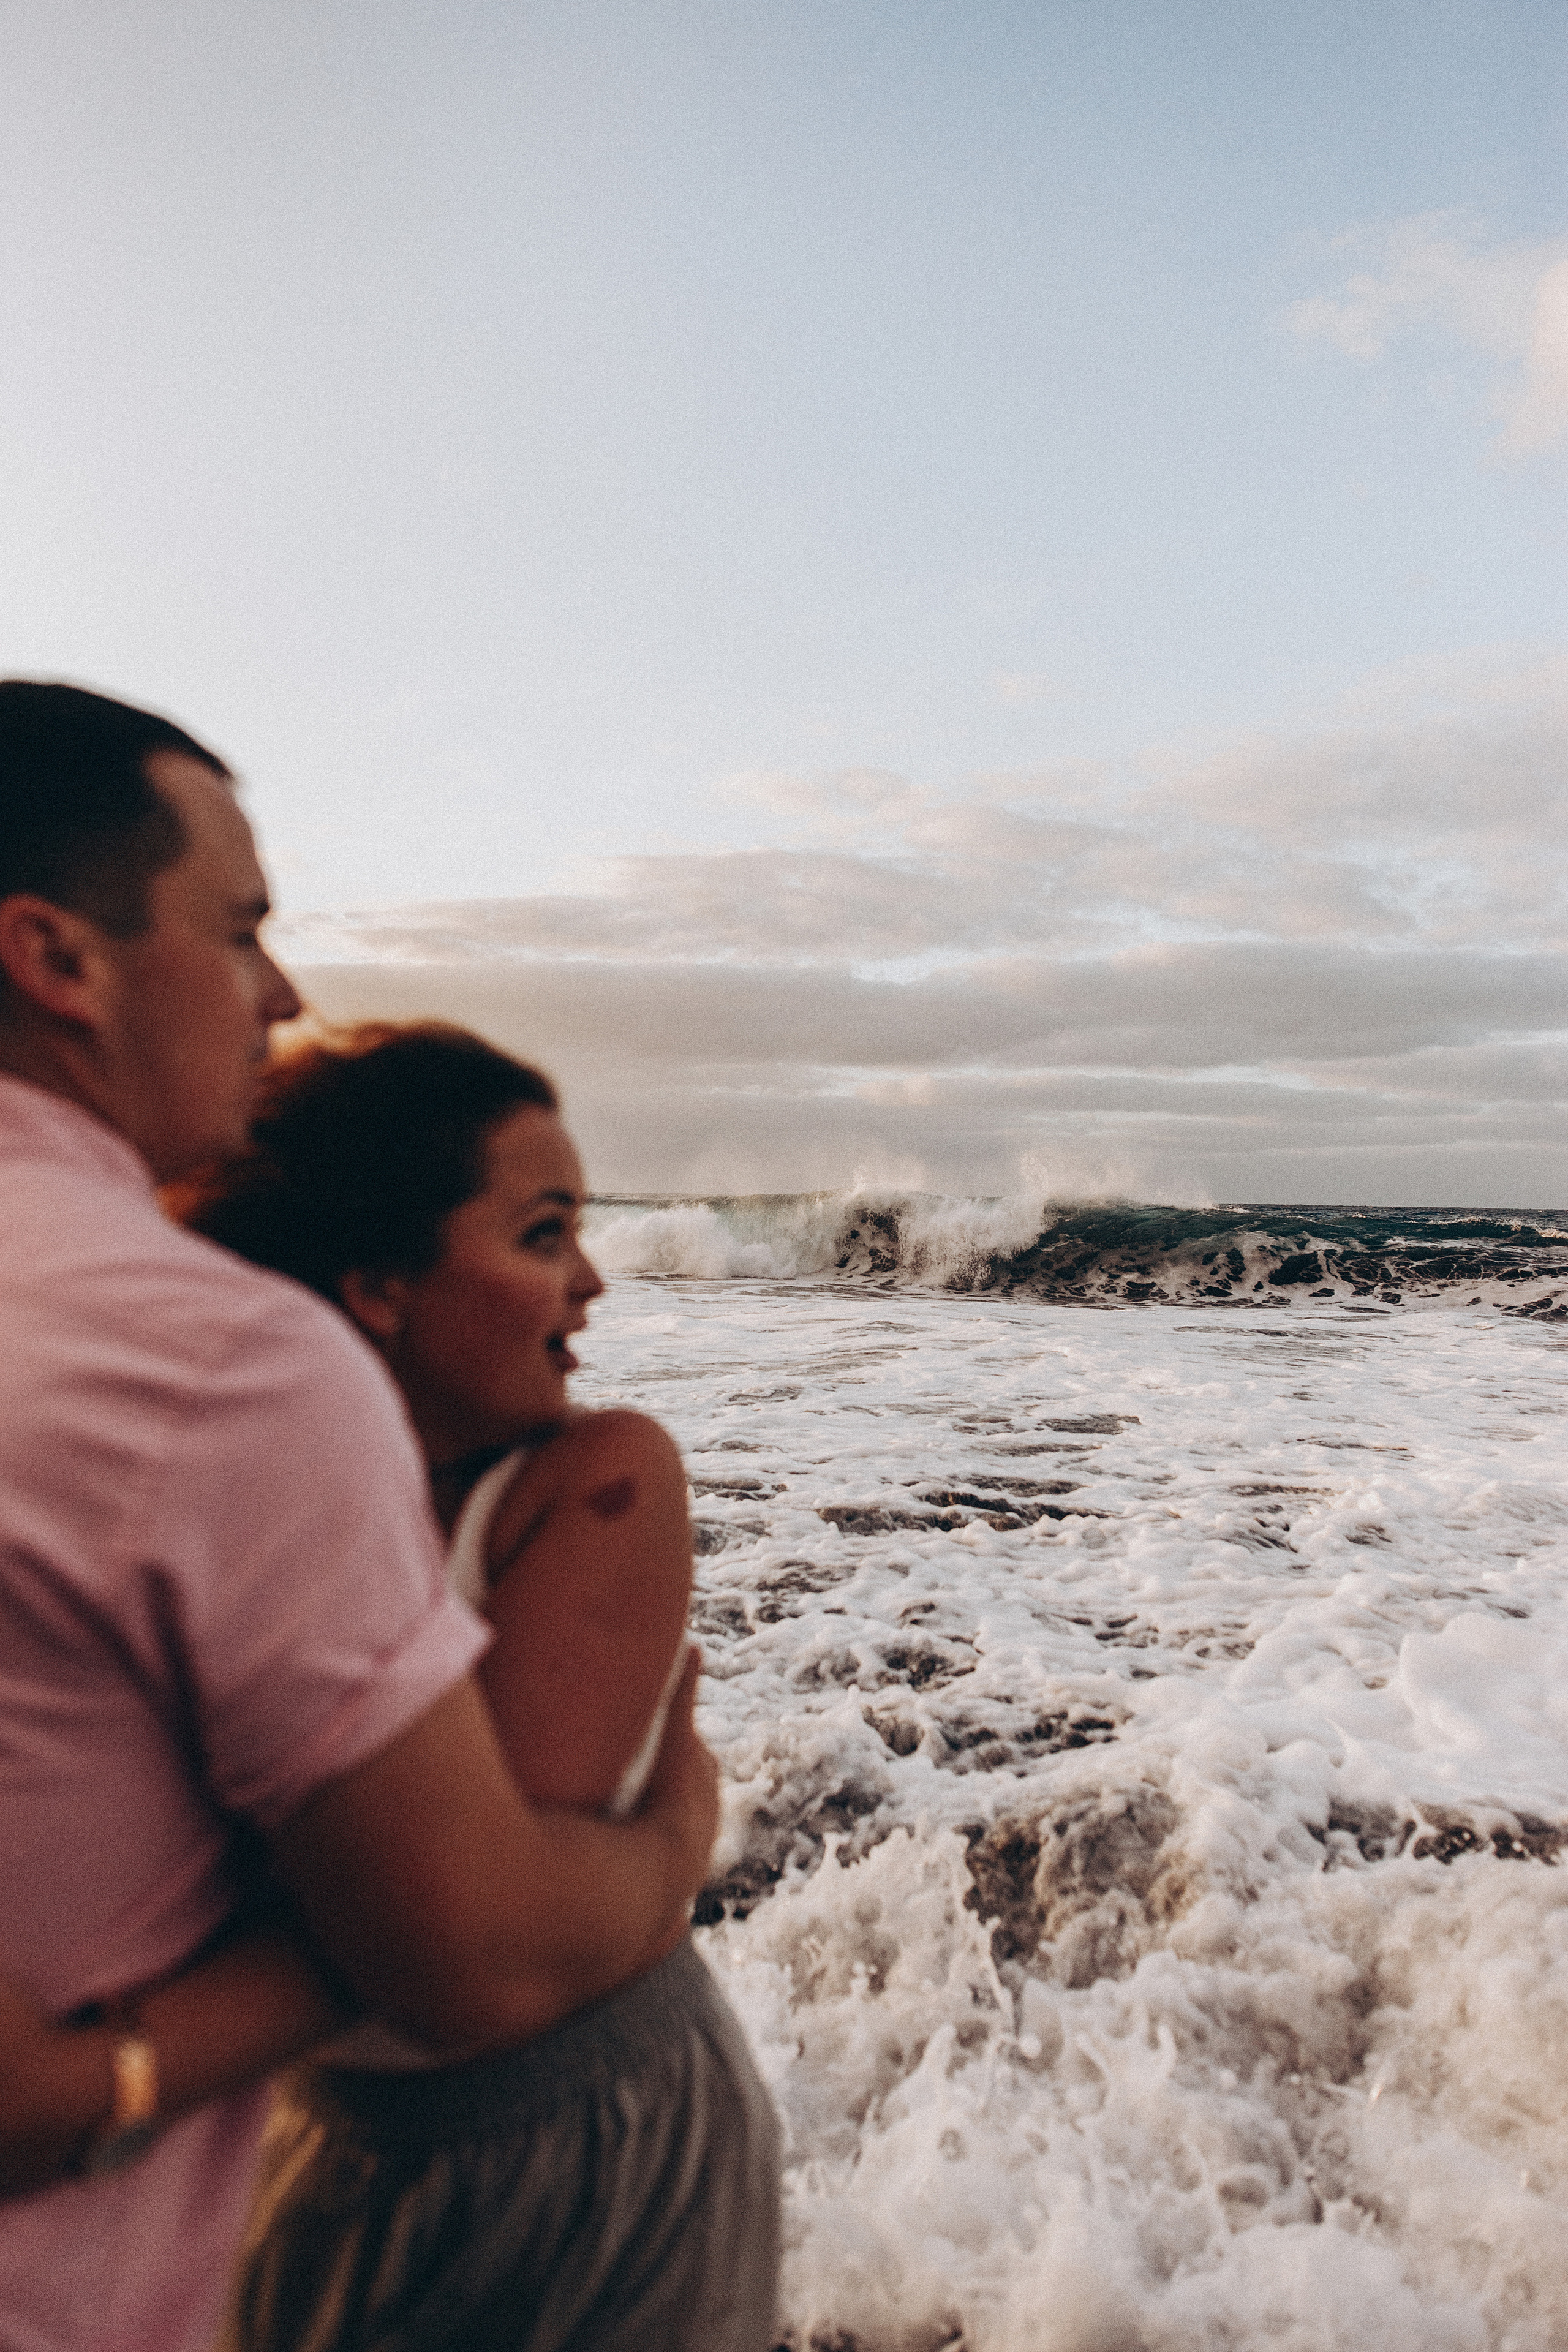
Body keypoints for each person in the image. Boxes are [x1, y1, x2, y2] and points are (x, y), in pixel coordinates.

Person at [0, 682, 718, 2352]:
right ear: (57, 957)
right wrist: (672, 1844)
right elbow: (467, 1955)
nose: (282, 992)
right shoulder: (209, 1364)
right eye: (238, 927)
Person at [179, 1022, 781, 2351]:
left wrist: (117, 2067)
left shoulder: (596, 1482)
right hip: (317, 2126)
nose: (593, 1282)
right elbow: (429, 1923)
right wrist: (674, 1844)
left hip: (587, 2135)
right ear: (383, 1279)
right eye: (542, 1234)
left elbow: (486, 1948)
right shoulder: (246, 1503)